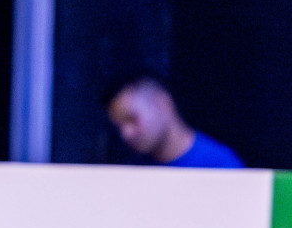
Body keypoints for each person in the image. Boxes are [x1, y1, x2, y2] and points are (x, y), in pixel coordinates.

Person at [104, 72, 244, 168]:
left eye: (132, 119)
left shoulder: (220, 165)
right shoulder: (131, 173)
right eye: (119, 126)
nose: (126, 133)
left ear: (163, 104)